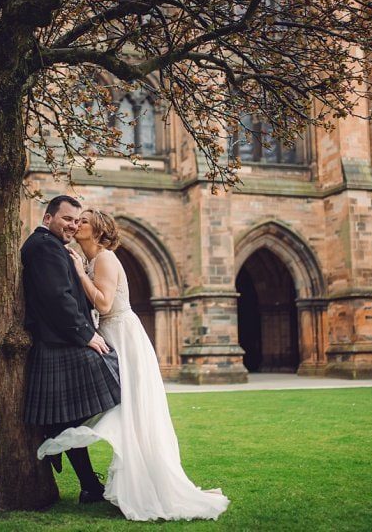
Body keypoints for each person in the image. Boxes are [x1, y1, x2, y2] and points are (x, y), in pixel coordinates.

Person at [37, 208, 230, 521]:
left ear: (98, 231)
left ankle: (138, 483)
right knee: (120, 411)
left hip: (123, 335)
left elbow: (103, 303)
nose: (77, 224)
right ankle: (87, 463)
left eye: (83, 221)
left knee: (133, 410)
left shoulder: (104, 258)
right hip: (110, 333)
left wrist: (79, 273)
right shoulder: (88, 260)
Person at [21, 195, 121, 504]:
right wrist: (86, 335)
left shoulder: (52, 247)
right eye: (67, 219)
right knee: (121, 385)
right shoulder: (45, 247)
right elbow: (57, 298)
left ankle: (66, 448)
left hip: (60, 344)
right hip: (62, 343)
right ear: (48, 218)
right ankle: (58, 437)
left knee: (73, 419)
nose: (73, 225)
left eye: (77, 221)